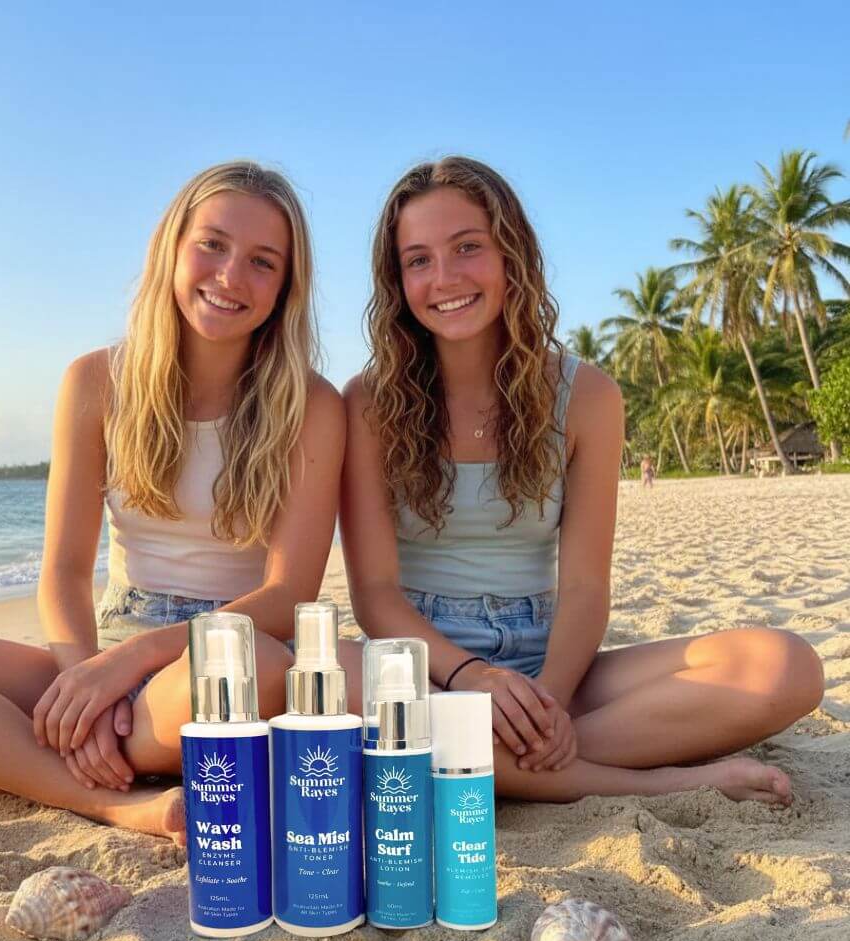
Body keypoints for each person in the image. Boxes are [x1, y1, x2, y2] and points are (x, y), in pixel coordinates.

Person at [0, 162, 344, 843]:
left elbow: (287, 595)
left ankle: (8, 763)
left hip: (224, 653)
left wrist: (125, 668)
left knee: (265, 668)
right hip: (110, 644)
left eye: (262, 262)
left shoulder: (313, 405)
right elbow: (65, 570)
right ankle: (101, 793)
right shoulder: (96, 380)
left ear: (285, 287)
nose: (230, 276)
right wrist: (84, 687)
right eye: (212, 244)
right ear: (173, 248)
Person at [339, 156, 823, 805]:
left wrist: (550, 705)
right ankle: (656, 782)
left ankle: (493, 759)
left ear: (513, 254)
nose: (444, 278)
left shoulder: (587, 395)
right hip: (423, 664)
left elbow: (587, 584)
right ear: (397, 281)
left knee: (786, 667)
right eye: (418, 259)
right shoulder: (368, 403)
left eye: (467, 248)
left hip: (552, 653)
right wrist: (472, 677)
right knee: (310, 672)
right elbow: (374, 595)